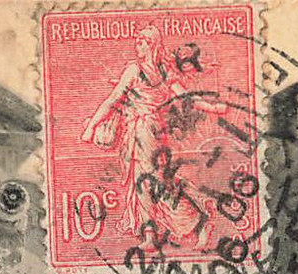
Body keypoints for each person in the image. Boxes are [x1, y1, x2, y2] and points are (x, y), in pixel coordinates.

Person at [78, 24, 237, 251]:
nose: (137, 45)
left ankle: (199, 223)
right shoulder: (161, 73)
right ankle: (151, 234)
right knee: (145, 183)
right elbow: (186, 99)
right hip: (145, 132)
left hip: (145, 132)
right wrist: (213, 108)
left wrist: (91, 127)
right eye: (137, 41)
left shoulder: (137, 71)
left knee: (152, 184)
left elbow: (114, 100)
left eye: (142, 41)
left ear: (151, 45)